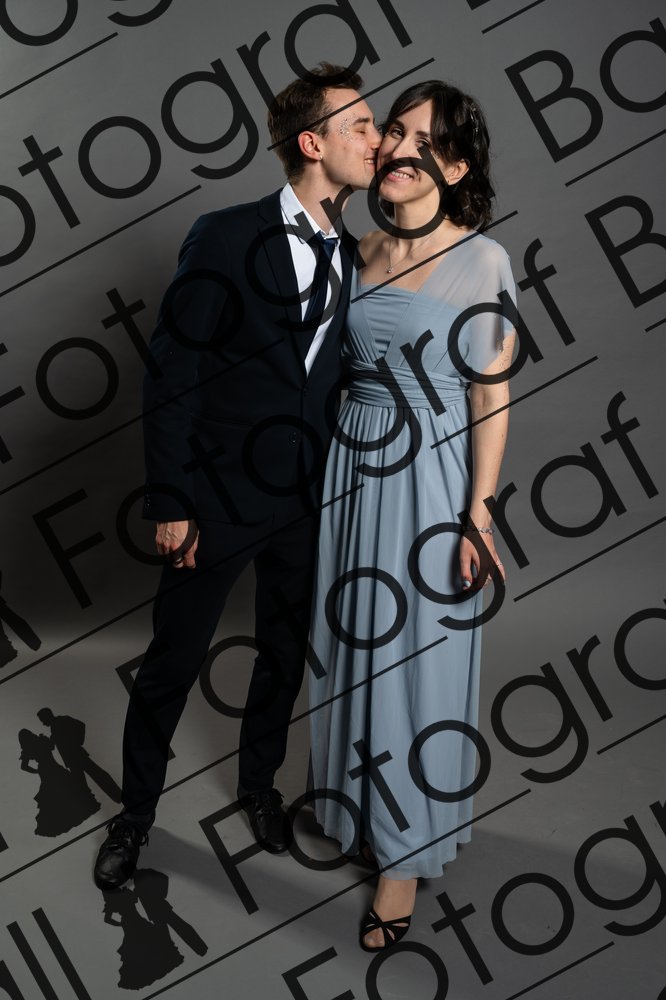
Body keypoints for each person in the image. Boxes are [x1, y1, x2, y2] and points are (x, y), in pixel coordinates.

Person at [93, 62, 381, 889]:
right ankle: (134, 818)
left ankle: (259, 789)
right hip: (216, 500)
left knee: (283, 656)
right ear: (312, 143)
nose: (376, 138)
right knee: (172, 663)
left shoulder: (358, 256)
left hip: (309, 500)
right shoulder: (224, 235)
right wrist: (172, 499)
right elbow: (172, 371)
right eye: (360, 125)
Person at [308, 80, 517, 950]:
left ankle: (402, 858)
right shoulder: (356, 248)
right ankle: (358, 802)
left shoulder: (484, 260)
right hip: (350, 469)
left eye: (426, 142)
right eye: (394, 130)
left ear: (456, 168)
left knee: (415, 657)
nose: (398, 148)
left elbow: (491, 395)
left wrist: (479, 516)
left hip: (428, 476)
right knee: (353, 642)